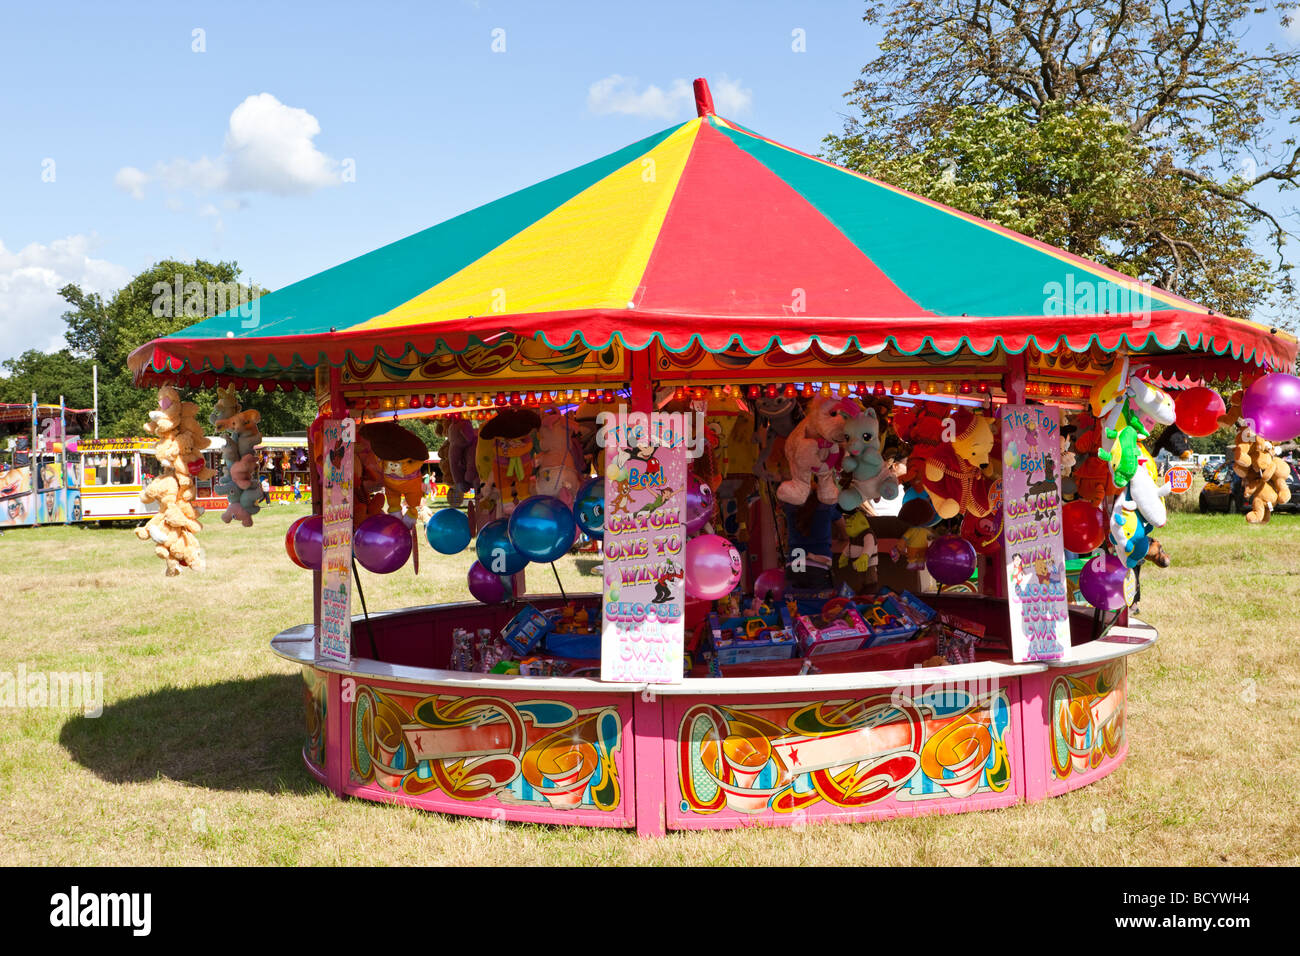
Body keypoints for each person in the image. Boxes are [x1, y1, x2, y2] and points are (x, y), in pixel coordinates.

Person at [781, 496, 846, 590]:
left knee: (794, 603)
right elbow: (845, 536)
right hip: (818, 568)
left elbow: (785, 538)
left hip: (793, 565)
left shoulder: (790, 505)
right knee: (819, 603)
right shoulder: (828, 506)